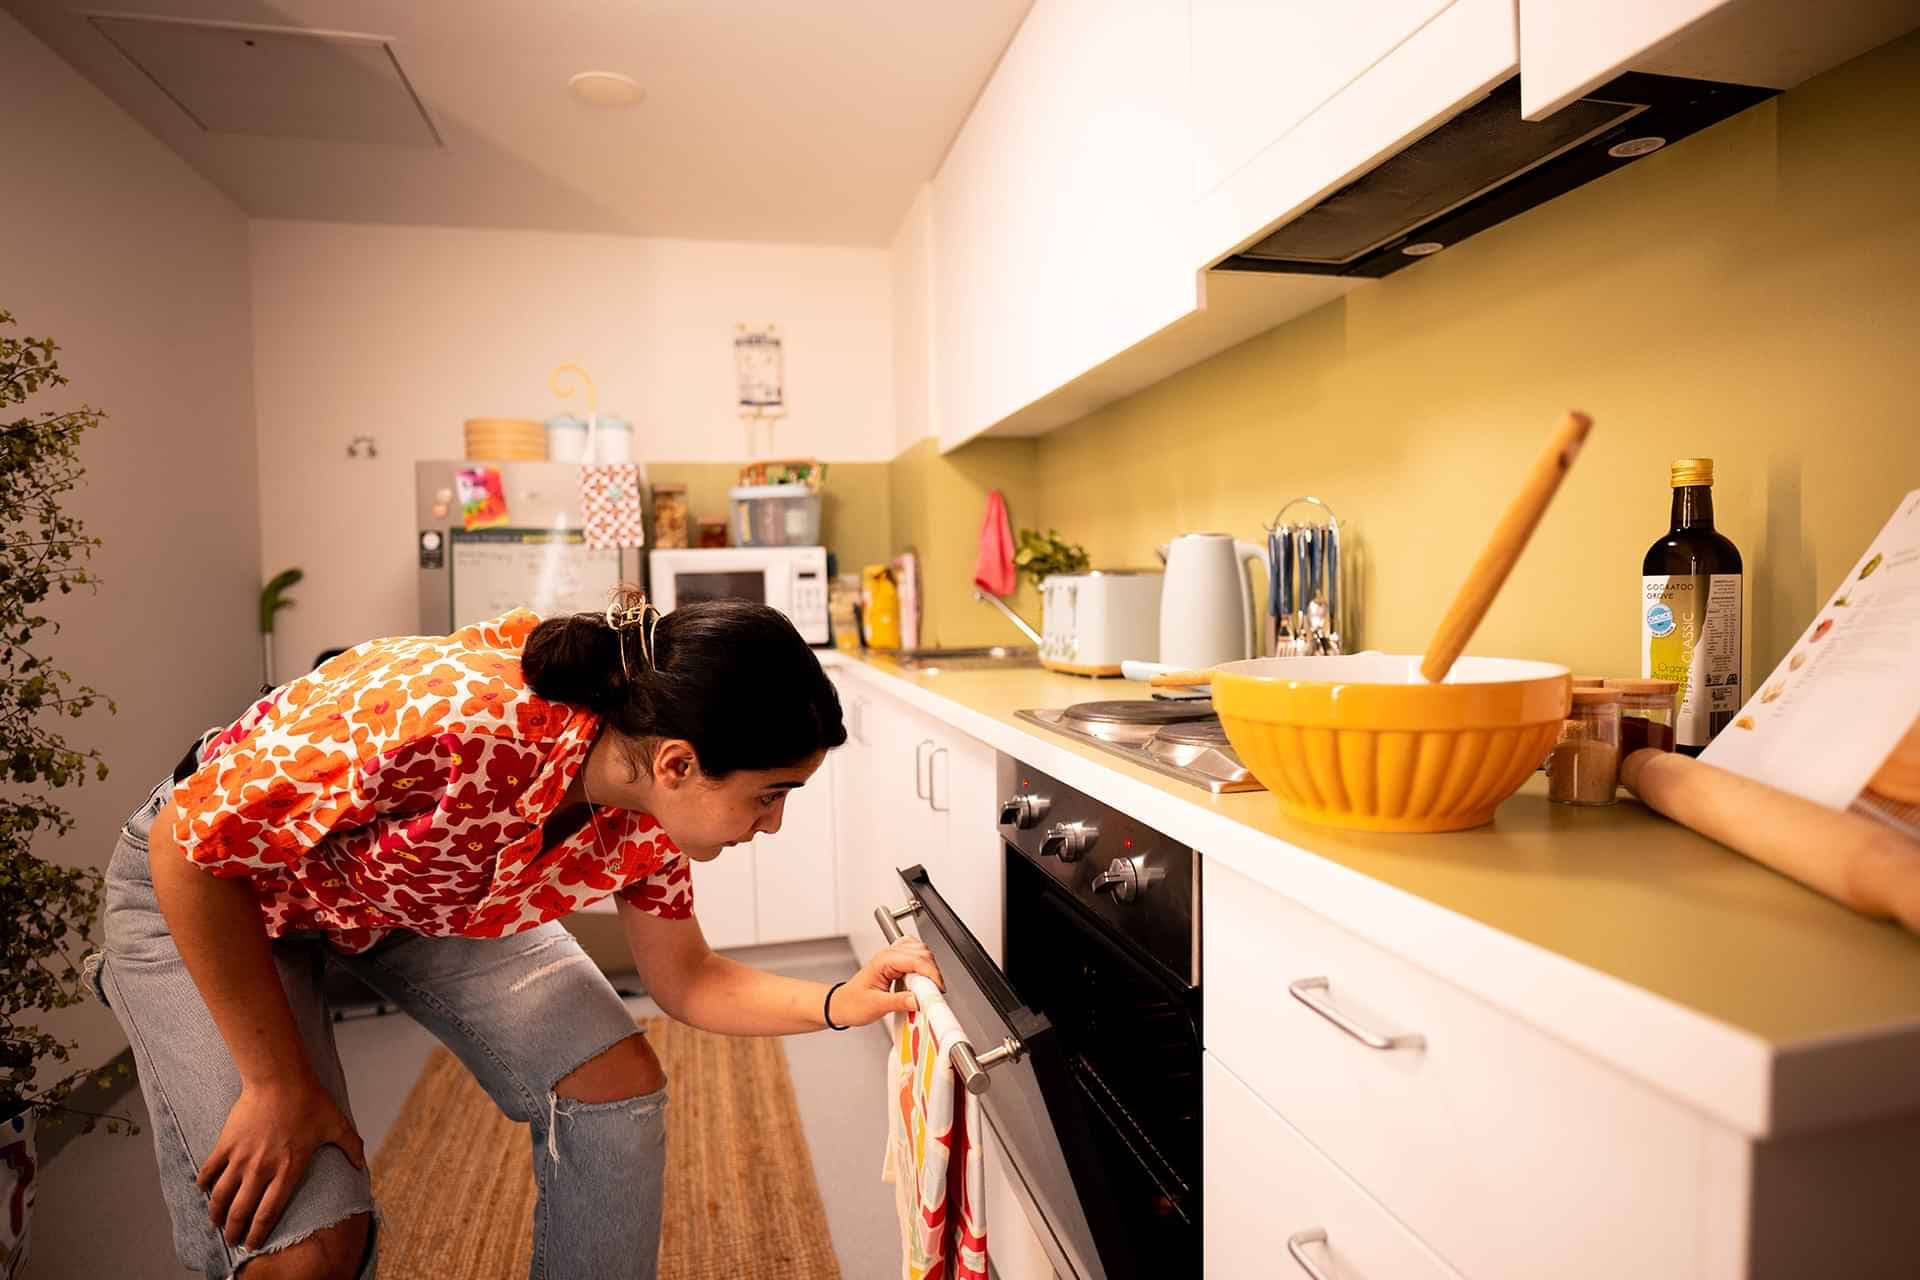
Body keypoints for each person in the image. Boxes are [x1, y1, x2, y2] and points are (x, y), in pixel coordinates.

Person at [83, 591, 943, 1279]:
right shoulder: (460, 725)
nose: (774, 822)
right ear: (678, 762)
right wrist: (276, 1083)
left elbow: (690, 980)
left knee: (614, 1087)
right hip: (212, 892)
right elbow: (185, 848)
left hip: (398, 898)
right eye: (769, 794)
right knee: (309, 1249)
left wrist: (842, 999)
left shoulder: (647, 813)